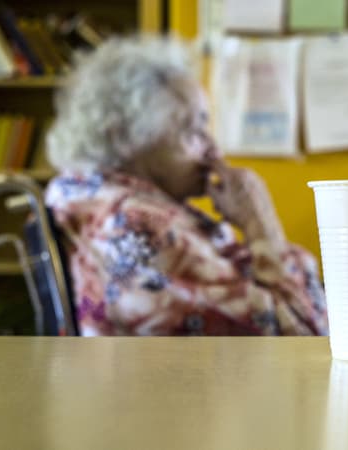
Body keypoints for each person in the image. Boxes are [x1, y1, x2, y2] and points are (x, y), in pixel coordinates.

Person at [45, 36, 327, 336]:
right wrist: (260, 222)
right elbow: (301, 335)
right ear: (125, 138)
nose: (213, 150)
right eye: (191, 131)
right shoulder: (137, 223)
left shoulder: (80, 193)